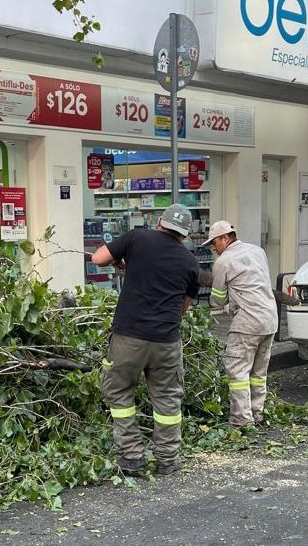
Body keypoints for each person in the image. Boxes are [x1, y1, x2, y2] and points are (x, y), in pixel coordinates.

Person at [92, 204, 200, 476]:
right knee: (167, 399)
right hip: (166, 341)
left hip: (129, 337)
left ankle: (131, 455)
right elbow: (183, 306)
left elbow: (98, 259)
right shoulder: (190, 262)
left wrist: (122, 260)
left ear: (160, 223)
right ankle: (167, 458)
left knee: (118, 390)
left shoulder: (137, 238)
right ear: (184, 235)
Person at [203, 221, 278, 427]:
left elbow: (217, 298)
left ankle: (241, 421)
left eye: (215, 243)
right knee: (258, 372)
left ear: (225, 238)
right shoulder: (257, 251)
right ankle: (258, 413)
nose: (213, 248)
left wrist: (226, 305)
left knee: (237, 371)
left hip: (247, 322)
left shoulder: (223, 262)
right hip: (270, 318)